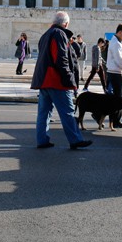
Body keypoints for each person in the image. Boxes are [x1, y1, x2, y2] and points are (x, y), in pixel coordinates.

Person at [31, 11, 92, 150]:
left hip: (44, 80)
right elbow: (61, 58)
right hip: (56, 80)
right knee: (67, 111)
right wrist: (70, 79)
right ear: (65, 23)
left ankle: (42, 140)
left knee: (44, 112)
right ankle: (75, 139)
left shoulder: (45, 35)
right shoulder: (59, 34)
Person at [105, 24, 122, 128]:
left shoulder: (115, 42)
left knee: (114, 98)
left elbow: (119, 57)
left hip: (113, 72)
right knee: (118, 99)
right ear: (120, 32)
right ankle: (116, 121)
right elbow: (119, 61)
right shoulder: (116, 43)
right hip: (115, 73)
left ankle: (111, 119)